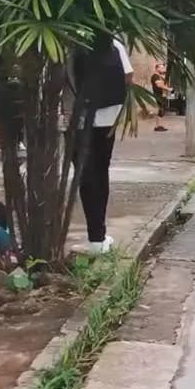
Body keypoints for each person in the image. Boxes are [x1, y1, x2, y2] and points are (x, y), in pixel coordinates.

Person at [70, 32, 133, 255]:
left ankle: (95, 239)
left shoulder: (72, 40)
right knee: (100, 173)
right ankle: (99, 236)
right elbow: (128, 75)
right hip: (109, 117)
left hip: (79, 120)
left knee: (86, 178)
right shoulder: (114, 43)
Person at [150, 62, 171, 132]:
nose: (162, 69)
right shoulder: (155, 76)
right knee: (161, 110)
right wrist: (169, 89)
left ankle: (159, 125)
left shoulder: (159, 76)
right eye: (161, 67)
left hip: (162, 95)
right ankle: (157, 126)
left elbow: (163, 84)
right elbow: (159, 85)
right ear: (157, 68)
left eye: (163, 67)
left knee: (162, 110)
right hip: (158, 95)